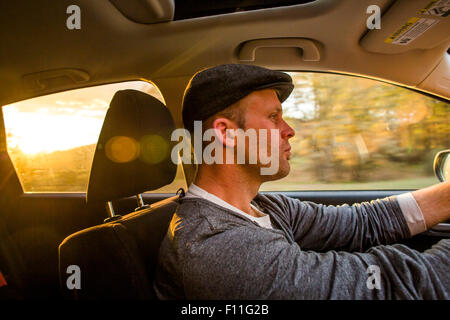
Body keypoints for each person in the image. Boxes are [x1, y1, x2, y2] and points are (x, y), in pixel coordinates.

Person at [154, 64, 450, 299]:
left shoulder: (263, 207)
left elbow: (361, 223)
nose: (289, 130)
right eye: (273, 117)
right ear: (227, 133)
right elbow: (386, 288)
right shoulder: (216, 246)